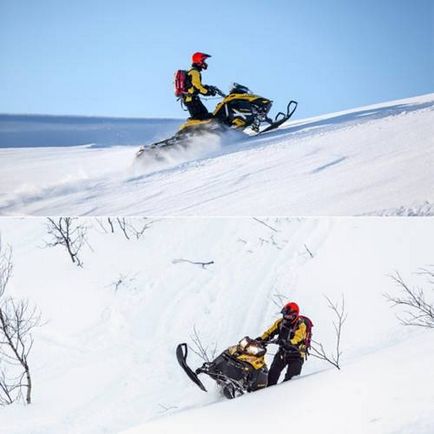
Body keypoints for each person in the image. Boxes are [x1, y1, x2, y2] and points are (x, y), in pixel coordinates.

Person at [257, 302, 312, 386]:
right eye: (285, 315)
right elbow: (270, 332)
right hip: (283, 353)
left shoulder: (301, 325)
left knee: (290, 382)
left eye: (289, 316)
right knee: (271, 377)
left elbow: (297, 338)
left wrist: (287, 342)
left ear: (295, 315)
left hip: (296, 356)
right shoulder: (281, 322)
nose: (286, 317)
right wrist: (261, 339)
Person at [183, 52, 217, 120]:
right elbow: (197, 87)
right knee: (203, 117)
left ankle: (201, 129)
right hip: (192, 100)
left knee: (203, 116)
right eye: (203, 60)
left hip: (191, 99)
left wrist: (206, 87)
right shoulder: (194, 72)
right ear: (198, 61)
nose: (204, 63)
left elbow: (195, 85)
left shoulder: (192, 71)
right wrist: (208, 92)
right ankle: (196, 128)